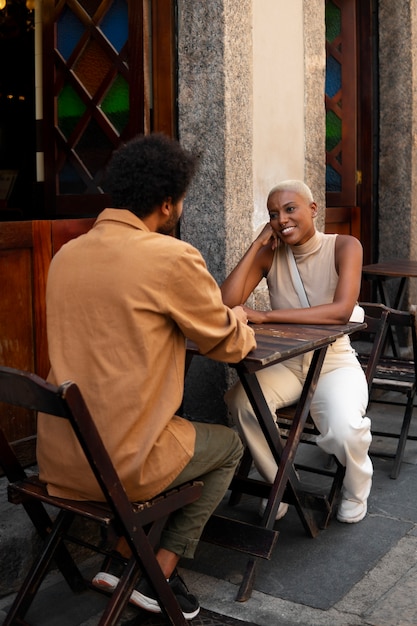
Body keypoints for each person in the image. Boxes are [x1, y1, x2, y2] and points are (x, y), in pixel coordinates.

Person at [36, 133, 256, 619]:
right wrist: (237, 318)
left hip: (61, 456)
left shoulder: (65, 255)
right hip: (123, 465)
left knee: (161, 431)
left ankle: (119, 556)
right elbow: (230, 345)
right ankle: (160, 569)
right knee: (228, 448)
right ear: (166, 203)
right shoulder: (169, 257)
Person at [222, 179, 372, 525]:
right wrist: (256, 243)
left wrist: (266, 316)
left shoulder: (344, 246)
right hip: (287, 364)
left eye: (290, 209)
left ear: (313, 210)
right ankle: (281, 484)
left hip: (333, 363)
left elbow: (339, 310)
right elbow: (226, 303)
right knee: (240, 402)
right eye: (274, 214)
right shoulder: (270, 253)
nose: (282, 219)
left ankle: (356, 486)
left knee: (344, 429)